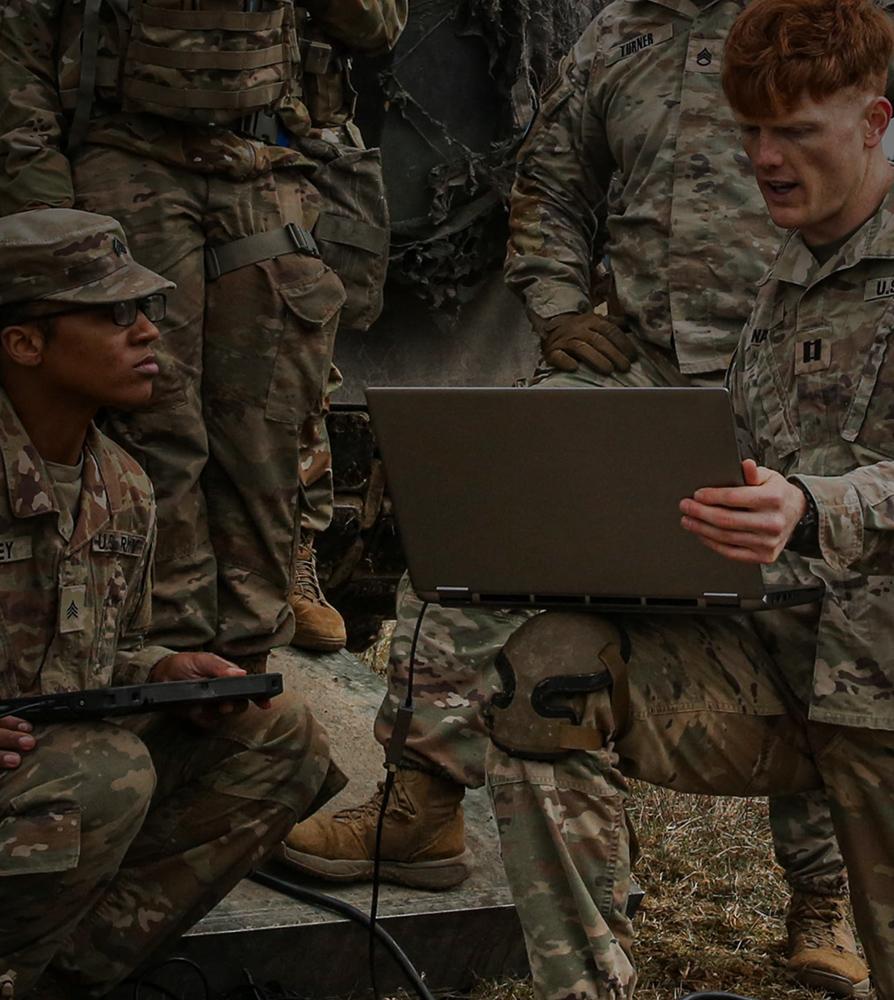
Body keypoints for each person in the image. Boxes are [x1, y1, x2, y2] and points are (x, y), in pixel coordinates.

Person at [283, 0, 884, 992]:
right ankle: (420, 799)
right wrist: (560, 309)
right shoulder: (621, 34)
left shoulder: (836, 30)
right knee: (482, 526)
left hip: (808, 364)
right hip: (642, 362)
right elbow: (551, 183)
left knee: (823, 606)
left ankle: (824, 902)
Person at [482, 0, 894, 995]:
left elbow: (817, 494)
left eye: (795, 130)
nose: (765, 157)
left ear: (877, 124)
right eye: (753, 129)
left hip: (882, 697)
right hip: (787, 674)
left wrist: (815, 504)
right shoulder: (780, 289)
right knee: (548, 672)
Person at [0, 209, 344, 1000]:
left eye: (147, 309)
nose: (148, 332)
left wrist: (163, 668)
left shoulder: (120, 482)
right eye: (114, 314)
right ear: (24, 343)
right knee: (103, 771)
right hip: (44, 771)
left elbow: (100, 651)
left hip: (41, 755)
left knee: (276, 733)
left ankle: (57, 979)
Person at [0, 0, 406, 661]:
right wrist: (49, 217)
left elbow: (375, 26)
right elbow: (18, 53)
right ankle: (166, 643)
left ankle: (250, 645)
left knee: (269, 418)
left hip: (264, 159)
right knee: (152, 415)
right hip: (124, 155)